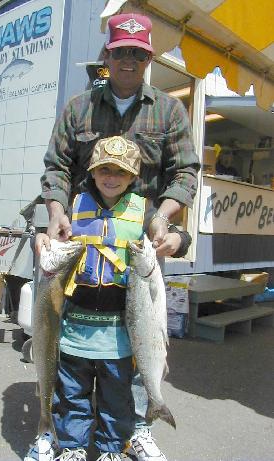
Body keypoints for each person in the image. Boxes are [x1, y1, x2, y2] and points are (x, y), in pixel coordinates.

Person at [32, 11, 199, 461]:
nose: (129, 60)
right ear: (108, 54)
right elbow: (56, 167)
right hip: (79, 234)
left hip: (143, 235)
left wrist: (162, 219)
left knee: (142, 339)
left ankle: (135, 427)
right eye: (121, 51)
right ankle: (59, 430)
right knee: (69, 341)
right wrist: (53, 214)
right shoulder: (78, 107)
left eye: (138, 53)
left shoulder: (169, 109)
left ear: (149, 58)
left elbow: (185, 172)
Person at [25, 137, 192, 461]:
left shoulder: (145, 212)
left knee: (117, 399)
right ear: (93, 171)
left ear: (132, 177)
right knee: (72, 395)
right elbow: (47, 234)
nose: (111, 176)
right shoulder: (74, 206)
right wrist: (42, 237)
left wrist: (176, 239)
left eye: (120, 171)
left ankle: (112, 450)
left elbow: (179, 236)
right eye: (104, 169)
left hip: (120, 334)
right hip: (74, 328)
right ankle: (72, 447)